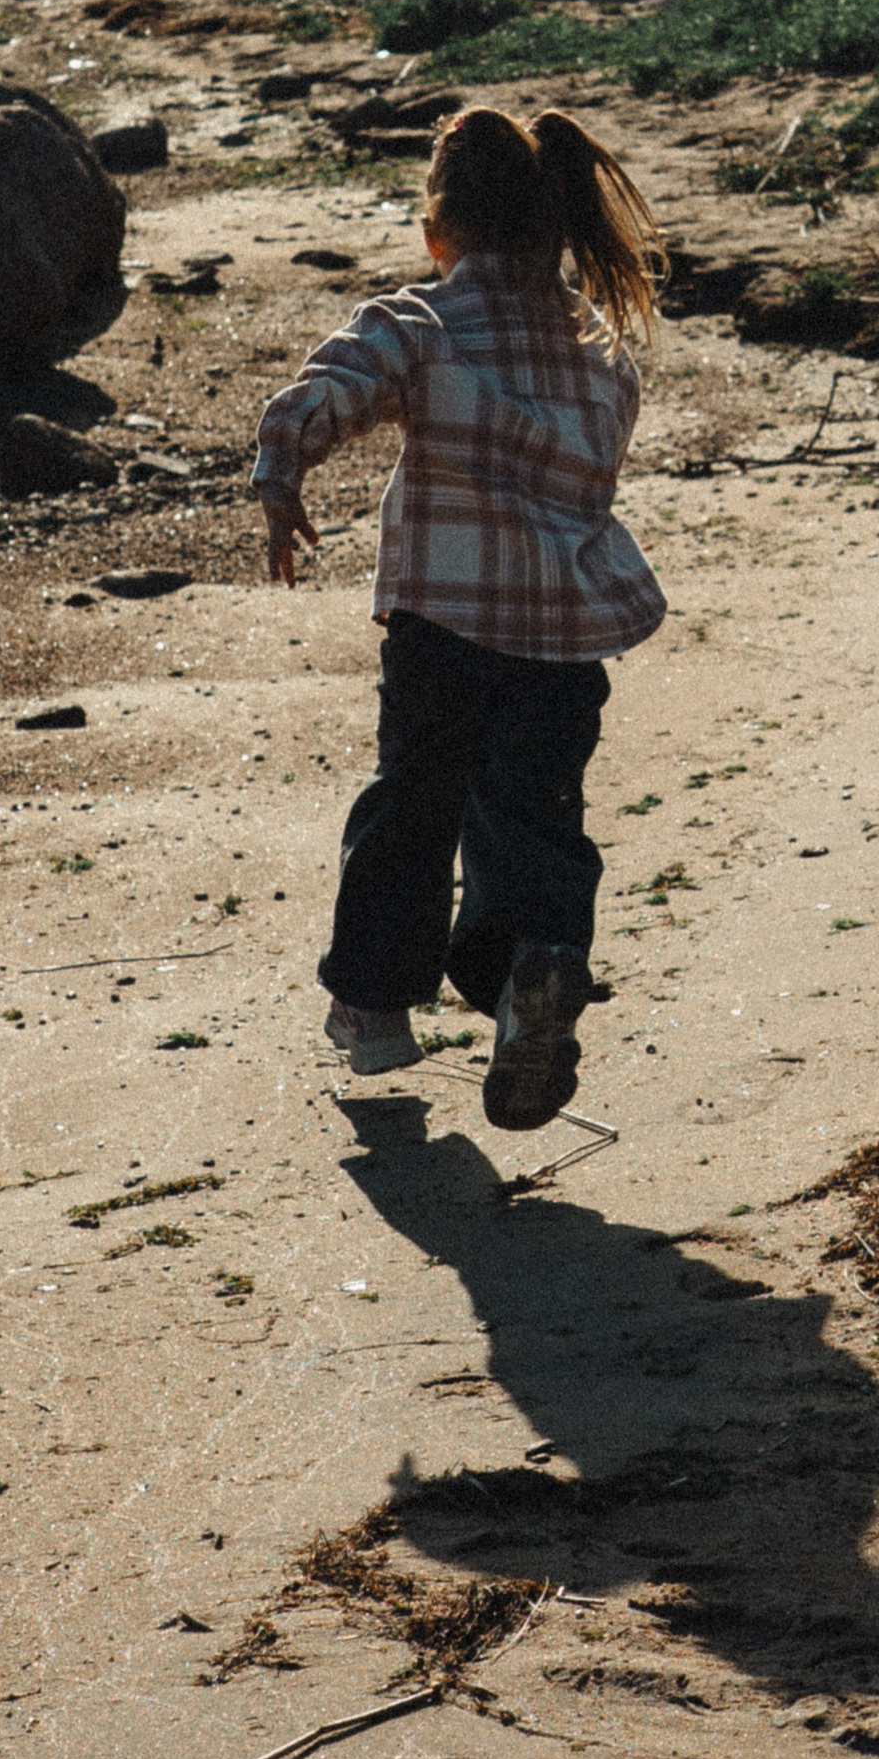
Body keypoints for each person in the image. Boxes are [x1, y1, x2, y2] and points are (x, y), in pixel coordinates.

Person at [249, 104, 667, 1130]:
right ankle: (537, 964)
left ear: (438, 235)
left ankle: (380, 1011)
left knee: (414, 803)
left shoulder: (420, 325)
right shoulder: (601, 353)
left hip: (443, 620)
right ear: (555, 229)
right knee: (532, 813)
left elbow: (330, 389)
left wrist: (280, 473)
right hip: (564, 639)